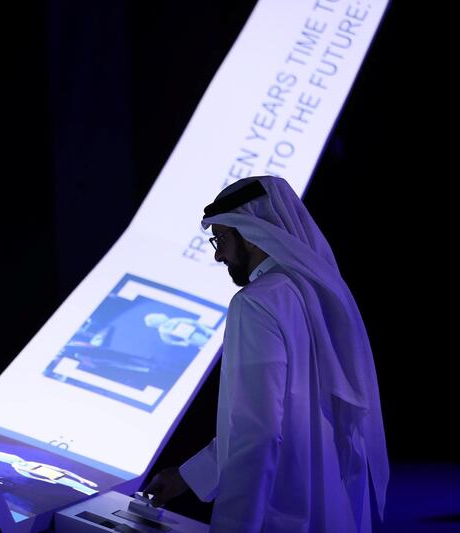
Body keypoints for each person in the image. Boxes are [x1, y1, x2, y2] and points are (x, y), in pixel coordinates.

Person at [144, 176, 388, 532]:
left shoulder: (257, 303)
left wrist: (233, 526)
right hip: (329, 502)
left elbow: (257, 433)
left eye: (223, 238)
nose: (218, 254)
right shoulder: (315, 294)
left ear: (253, 233)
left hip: (284, 509)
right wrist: (186, 476)